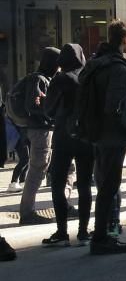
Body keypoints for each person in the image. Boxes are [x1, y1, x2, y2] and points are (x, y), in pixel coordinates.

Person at [79, 19, 126, 255]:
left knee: (103, 184)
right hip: (112, 135)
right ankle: (101, 237)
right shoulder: (117, 67)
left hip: (94, 132)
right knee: (109, 187)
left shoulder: (95, 64)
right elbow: (116, 105)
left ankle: (100, 234)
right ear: (124, 39)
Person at [41, 44, 92, 247]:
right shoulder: (88, 77)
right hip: (87, 136)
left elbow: (49, 110)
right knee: (86, 185)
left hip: (63, 136)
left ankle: (62, 231)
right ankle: (83, 232)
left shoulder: (61, 79)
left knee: (58, 183)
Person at [16, 46, 59, 226]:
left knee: (39, 169)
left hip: (39, 129)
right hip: (40, 130)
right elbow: (33, 106)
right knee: (37, 170)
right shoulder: (39, 79)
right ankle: (27, 212)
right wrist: (51, 110)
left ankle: (28, 211)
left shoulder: (41, 78)